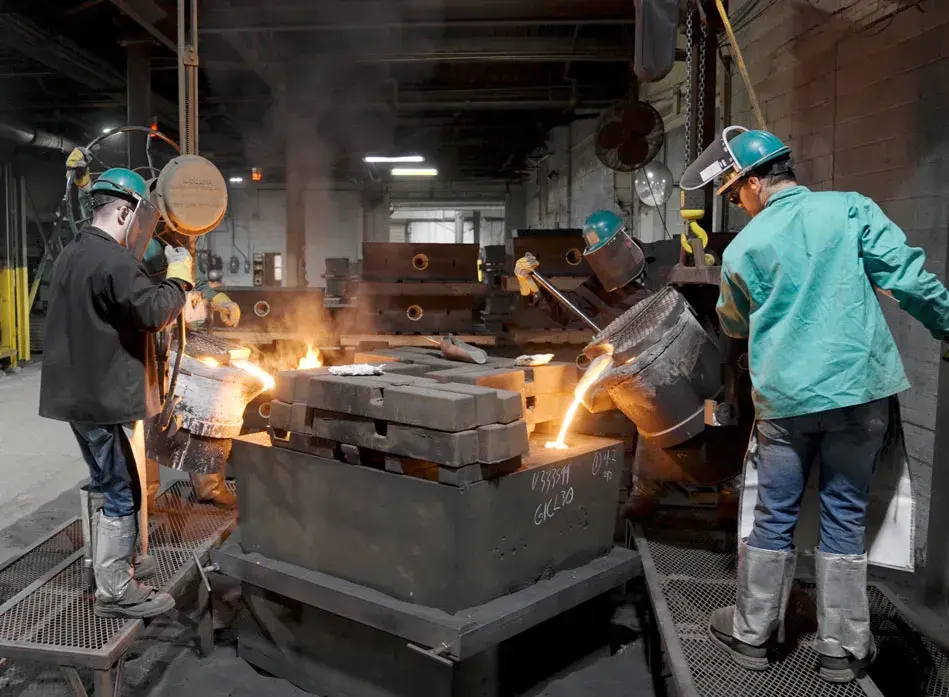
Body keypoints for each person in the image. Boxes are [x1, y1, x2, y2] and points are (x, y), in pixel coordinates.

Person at [681, 126, 949, 683]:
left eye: (736, 194)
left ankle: (753, 635)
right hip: (858, 392)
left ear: (755, 182)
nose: (739, 203)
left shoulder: (744, 248)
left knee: (774, 514)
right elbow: (907, 278)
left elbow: (732, 321)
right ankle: (842, 648)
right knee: (844, 516)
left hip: (787, 402)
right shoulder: (848, 210)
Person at [39, 167, 194, 619]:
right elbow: (152, 312)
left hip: (78, 396)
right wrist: (180, 280)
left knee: (109, 483)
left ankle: (116, 561)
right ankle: (114, 588)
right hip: (104, 399)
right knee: (124, 490)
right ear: (126, 213)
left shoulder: (72, 253)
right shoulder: (114, 261)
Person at [67, 147, 240, 509]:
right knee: (143, 416)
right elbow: (96, 212)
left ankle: (209, 484)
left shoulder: (175, 229)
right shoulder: (128, 230)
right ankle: (144, 493)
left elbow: (189, 276)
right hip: (142, 334)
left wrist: (219, 300)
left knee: (203, 406)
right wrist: (82, 181)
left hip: (173, 328)